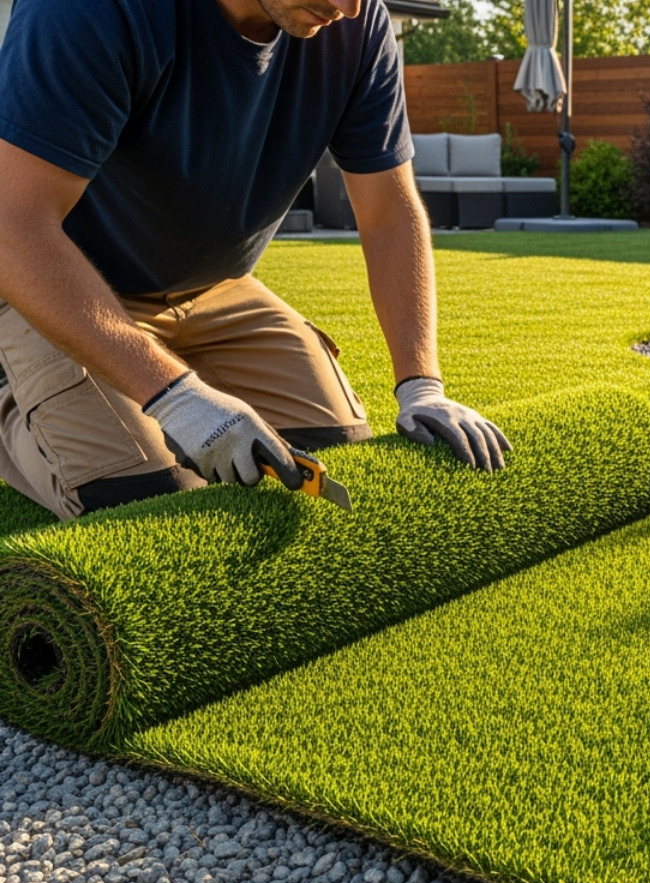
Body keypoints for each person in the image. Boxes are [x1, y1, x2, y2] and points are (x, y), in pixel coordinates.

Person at [0, 0, 509, 520]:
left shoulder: (359, 26)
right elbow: (12, 227)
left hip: (217, 288)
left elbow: (388, 214)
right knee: (149, 500)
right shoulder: (87, 10)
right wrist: (177, 398)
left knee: (335, 450)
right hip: (55, 285)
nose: (348, 7)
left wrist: (422, 386)